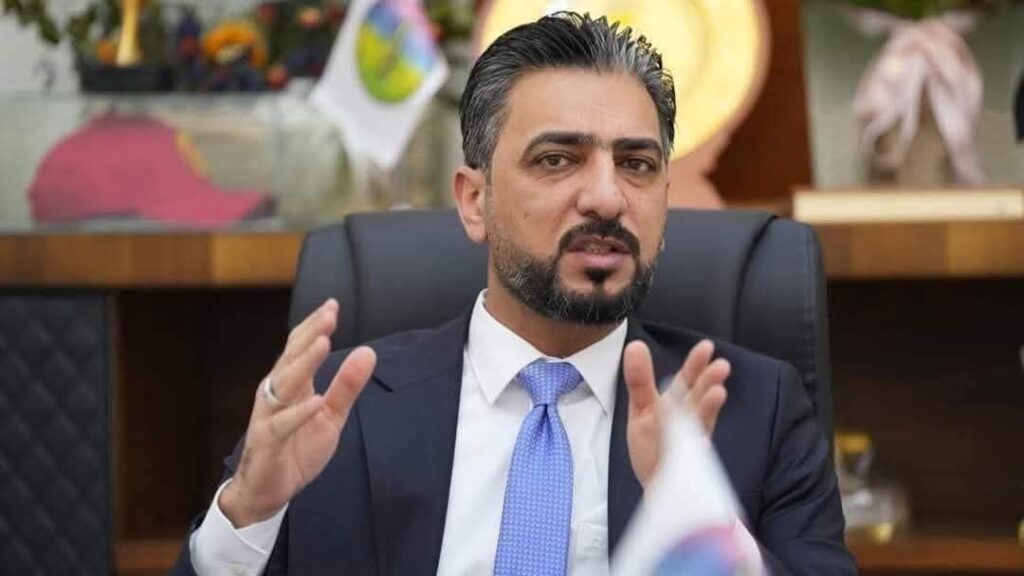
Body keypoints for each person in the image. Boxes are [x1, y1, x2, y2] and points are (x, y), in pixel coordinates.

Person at [173, 12, 856, 575]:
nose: (607, 197)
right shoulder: (335, 411)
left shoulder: (755, 412)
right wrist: (248, 514)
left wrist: (700, 525)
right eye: (556, 159)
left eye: (637, 164)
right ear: (475, 201)